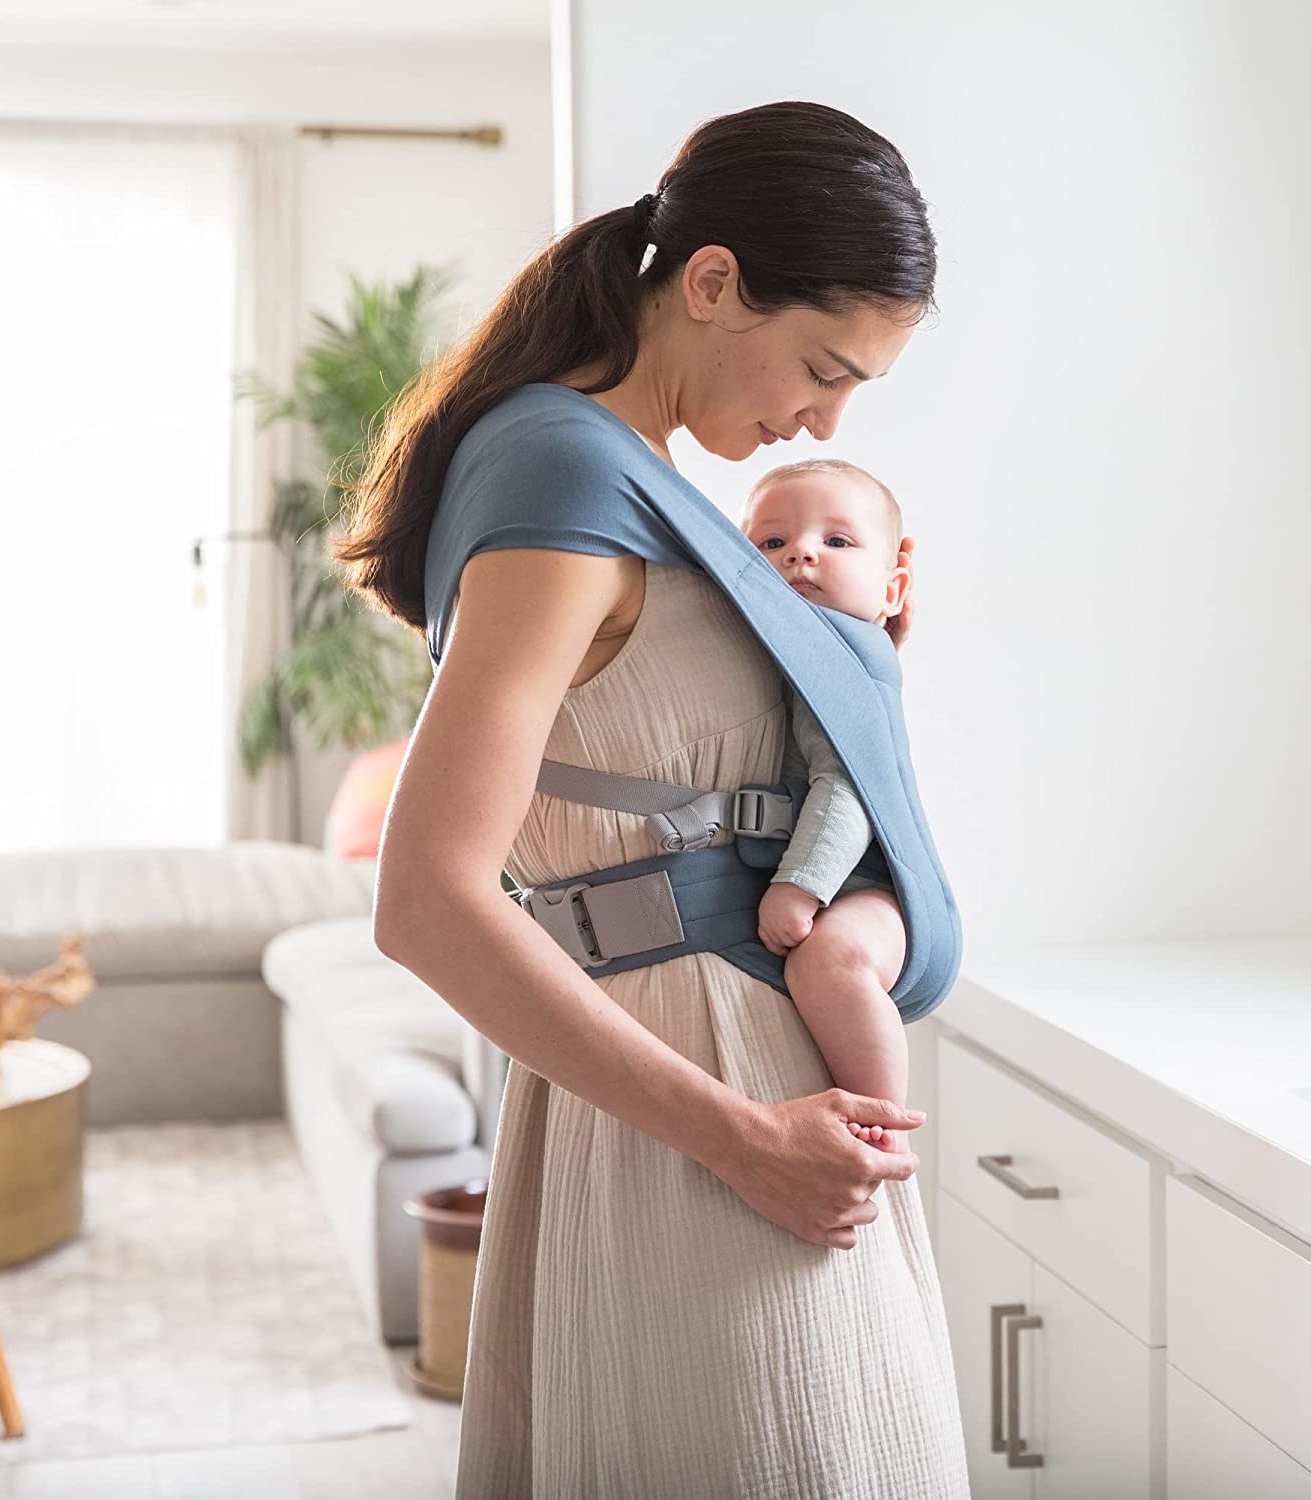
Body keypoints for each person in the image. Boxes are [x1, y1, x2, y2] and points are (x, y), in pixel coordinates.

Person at [337, 99, 971, 1499]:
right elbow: (430, 900)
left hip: (714, 1094)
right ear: (711, 282)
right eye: (822, 365)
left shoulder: (630, 477)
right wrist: (748, 1141)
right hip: (720, 1110)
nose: (825, 417)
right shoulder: (569, 469)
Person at [739, 459, 918, 1159]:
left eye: (837, 542)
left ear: (892, 587)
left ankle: (881, 1121)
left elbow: (847, 786)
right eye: (770, 544)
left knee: (829, 964)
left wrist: (798, 885)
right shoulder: (811, 649)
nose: (801, 553)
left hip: (869, 889)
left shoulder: (844, 654)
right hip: (844, 885)